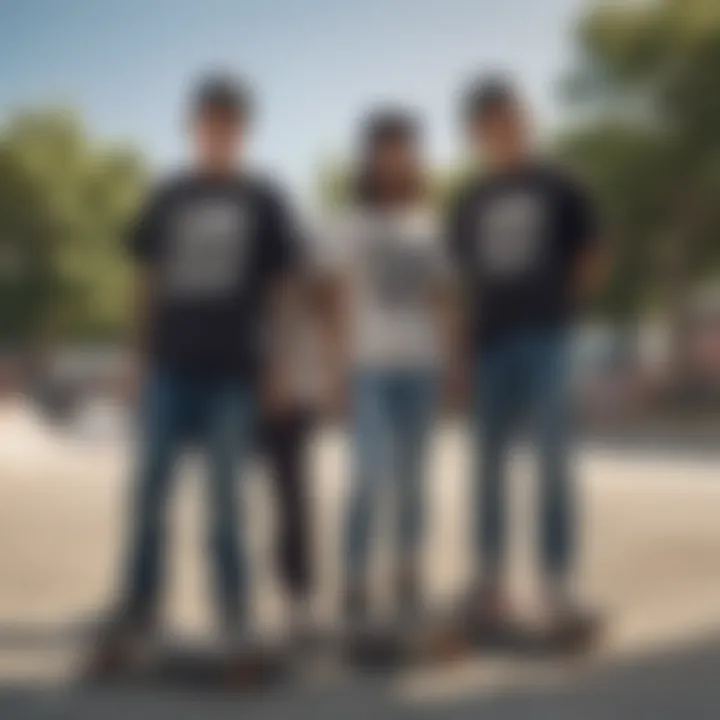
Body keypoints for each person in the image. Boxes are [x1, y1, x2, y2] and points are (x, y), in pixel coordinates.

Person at [93, 74, 298, 665]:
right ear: (193, 127)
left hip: (234, 372)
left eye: (228, 125)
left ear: (243, 132)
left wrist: (278, 365)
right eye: (208, 124)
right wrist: (135, 359)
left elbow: (280, 292)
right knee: (150, 491)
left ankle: (235, 612)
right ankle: (139, 603)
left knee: (227, 501)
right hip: (169, 370)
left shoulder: (264, 199)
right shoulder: (169, 196)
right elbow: (147, 284)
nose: (218, 134)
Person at [447, 77, 605, 642]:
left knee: (553, 464)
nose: (503, 133)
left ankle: (557, 584)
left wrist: (561, 312)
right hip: (489, 347)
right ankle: (490, 583)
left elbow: (589, 255)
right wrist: (460, 353)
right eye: (490, 126)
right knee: (487, 469)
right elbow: (463, 280)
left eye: (511, 120)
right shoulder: (470, 199)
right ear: (476, 135)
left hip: (545, 341)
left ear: (525, 120)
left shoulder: (561, 184)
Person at [325, 110, 451, 631]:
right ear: (370, 160)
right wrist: (338, 365)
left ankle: (407, 569)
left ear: (414, 158)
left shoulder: (430, 224)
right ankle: (355, 577)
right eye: (383, 150)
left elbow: (443, 298)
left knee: (416, 480)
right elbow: (336, 295)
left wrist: (454, 361)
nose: (392, 159)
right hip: (369, 367)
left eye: (402, 149)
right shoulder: (351, 223)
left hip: (421, 365)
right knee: (368, 475)